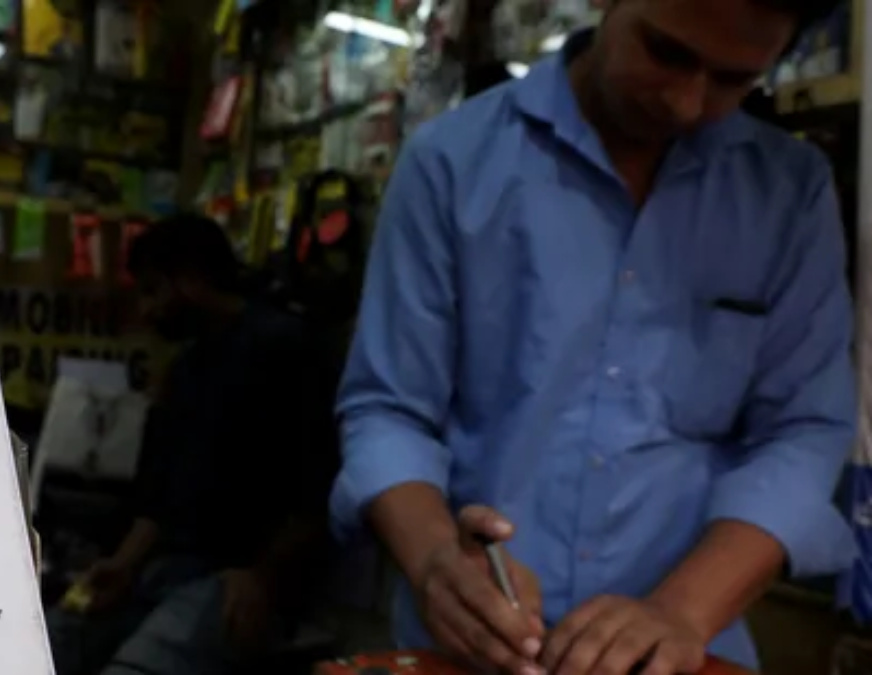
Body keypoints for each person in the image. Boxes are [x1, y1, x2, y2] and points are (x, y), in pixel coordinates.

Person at [332, 2, 852, 675]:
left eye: (733, 79)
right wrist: (435, 560)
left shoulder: (787, 193)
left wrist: (683, 610)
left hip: (684, 653)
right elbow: (388, 408)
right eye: (665, 53)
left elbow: (803, 431)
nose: (687, 103)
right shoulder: (451, 164)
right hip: (472, 648)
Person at [46, 213, 337, 675]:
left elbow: (318, 488)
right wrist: (122, 565)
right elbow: (160, 494)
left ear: (190, 279)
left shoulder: (286, 349)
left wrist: (263, 577)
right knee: (33, 650)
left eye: (152, 291)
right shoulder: (186, 370)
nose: (146, 311)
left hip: (236, 579)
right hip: (161, 571)